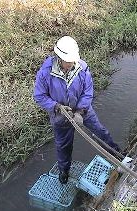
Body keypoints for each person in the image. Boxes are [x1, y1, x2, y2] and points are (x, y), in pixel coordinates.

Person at [33, 36, 120, 184]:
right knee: (63, 145)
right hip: (60, 115)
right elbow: (39, 96)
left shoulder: (82, 67)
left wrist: (80, 112)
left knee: (100, 132)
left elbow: (87, 92)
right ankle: (64, 170)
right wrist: (56, 107)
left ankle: (117, 155)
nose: (72, 63)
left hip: (83, 110)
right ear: (59, 58)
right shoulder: (46, 73)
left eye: (73, 60)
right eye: (68, 61)